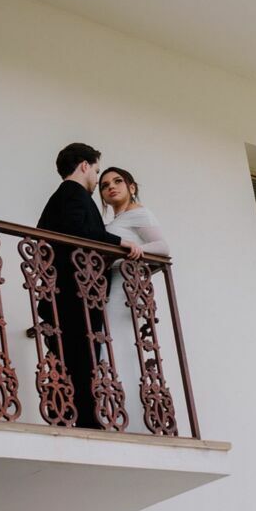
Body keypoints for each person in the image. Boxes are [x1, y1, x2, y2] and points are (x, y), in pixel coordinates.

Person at [37, 143, 141, 429]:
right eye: (96, 171)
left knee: (72, 358)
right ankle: (84, 422)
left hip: (69, 293)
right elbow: (82, 233)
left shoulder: (62, 197)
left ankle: (73, 418)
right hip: (75, 294)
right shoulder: (73, 194)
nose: (97, 180)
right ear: (84, 166)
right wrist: (121, 243)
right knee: (81, 359)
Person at [99, 166, 170, 433]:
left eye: (118, 181)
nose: (111, 187)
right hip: (111, 284)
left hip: (123, 286)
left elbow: (163, 247)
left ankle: (131, 418)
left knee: (115, 341)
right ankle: (114, 409)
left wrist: (137, 249)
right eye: (105, 185)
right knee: (108, 342)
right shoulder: (114, 221)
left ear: (131, 186)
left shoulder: (139, 213)